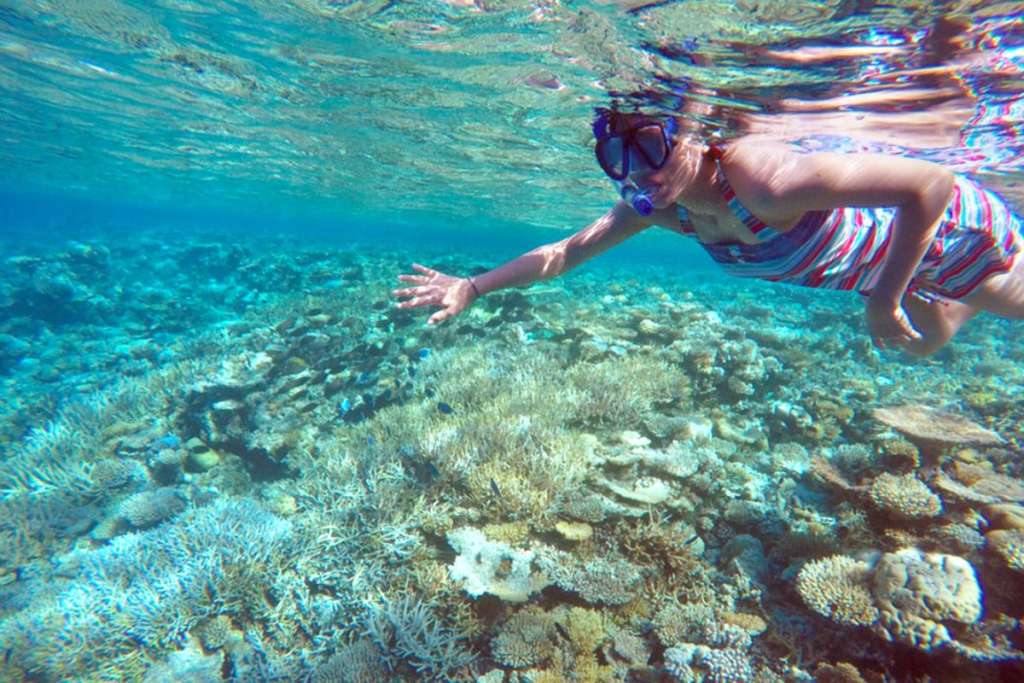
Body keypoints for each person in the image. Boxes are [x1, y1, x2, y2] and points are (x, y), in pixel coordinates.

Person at [392, 107, 1024, 356]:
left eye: (652, 144)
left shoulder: (761, 181)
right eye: (618, 157)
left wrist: (885, 299)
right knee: (927, 342)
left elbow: (929, 186)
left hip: (945, 238)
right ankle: (950, 304)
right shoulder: (659, 208)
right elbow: (563, 254)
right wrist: (473, 287)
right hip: (881, 270)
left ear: (687, 135)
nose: (640, 170)